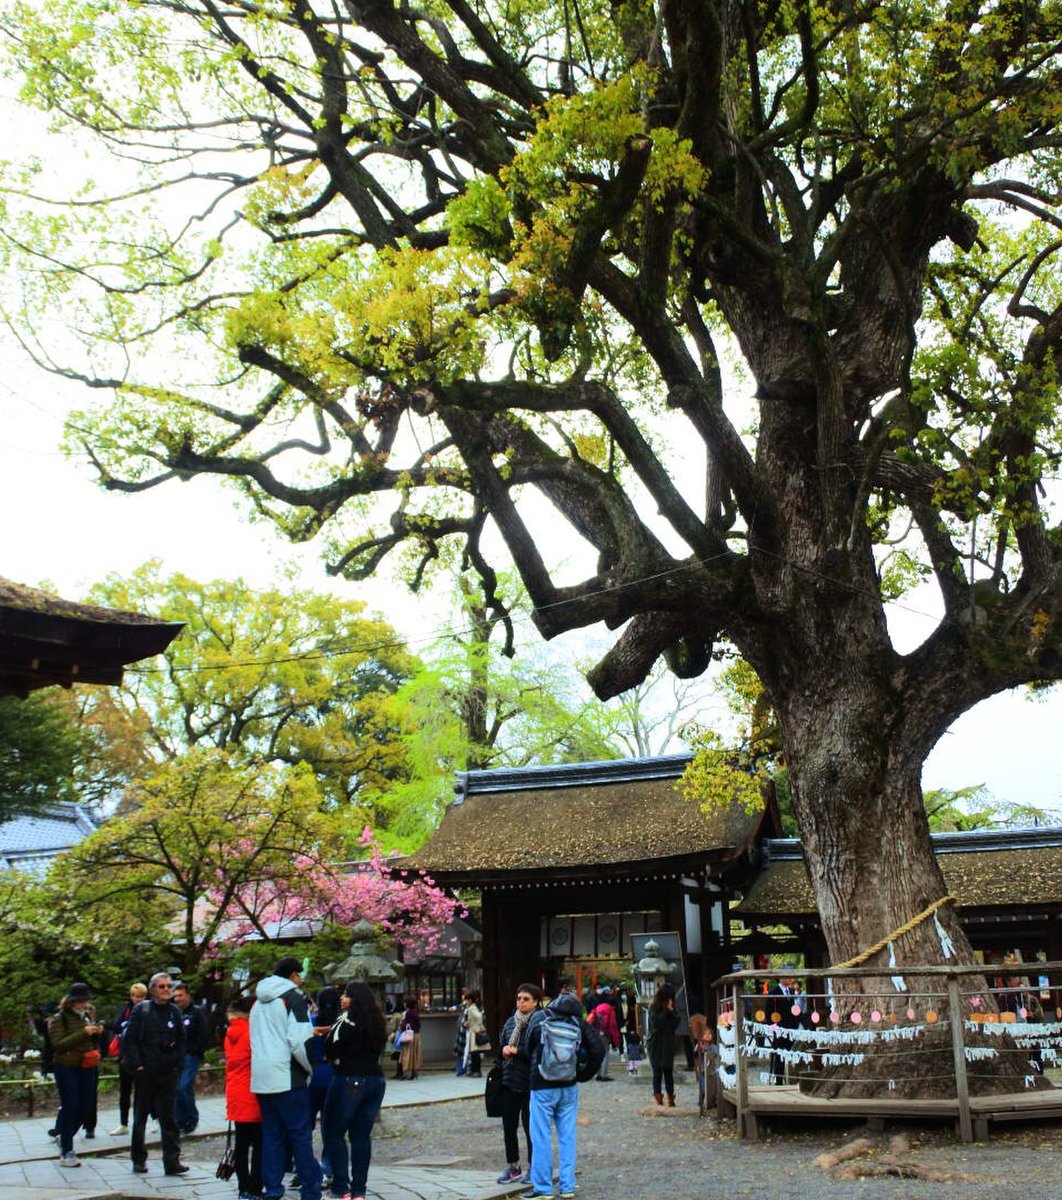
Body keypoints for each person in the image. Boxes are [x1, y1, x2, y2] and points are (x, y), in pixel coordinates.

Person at [249, 955, 322, 1200]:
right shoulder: (293, 998)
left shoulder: (257, 1002)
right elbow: (299, 1040)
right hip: (288, 1076)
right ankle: (310, 1189)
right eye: (300, 975)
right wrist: (311, 1068)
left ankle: (272, 1188)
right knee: (299, 1134)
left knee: (271, 1135)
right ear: (293, 975)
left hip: (261, 1076)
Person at [522, 987, 603, 1200]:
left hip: (542, 1085)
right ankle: (567, 1187)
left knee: (541, 1137)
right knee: (567, 1137)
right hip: (568, 1086)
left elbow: (527, 1046)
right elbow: (598, 1049)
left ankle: (543, 1188)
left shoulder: (540, 1018)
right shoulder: (578, 1023)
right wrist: (583, 1074)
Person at [321, 980, 388, 1200]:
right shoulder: (377, 1022)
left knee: (333, 1132)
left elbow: (331, 1045)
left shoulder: (346, 1020)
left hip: (348, 1077)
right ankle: (359, 1189)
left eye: (347, 995)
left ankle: (342, 1187)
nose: (342, 998)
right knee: (361, 1136)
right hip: (375, 1080)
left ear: (355, 999)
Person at [122, 971, 189, 1177]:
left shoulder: (174, 1012)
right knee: (140, 1117)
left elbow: (181, 1040)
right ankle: (138, 1159)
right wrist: (138, 1064)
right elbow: (130, 1039)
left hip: (167, 1071)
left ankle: (172, 1161)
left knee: (168, 1117)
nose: (166, 990)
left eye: (169, 986)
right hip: (146, 1071)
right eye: (162, 987)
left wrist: (177, 1062)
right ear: (152, 989)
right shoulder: (142, 1010)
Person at [48, 982, 103, 1168]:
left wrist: (96, 1033)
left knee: (86, 1106)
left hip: (87, 1065)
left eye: (85, 1000)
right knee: (71, 1104)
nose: (84, 1003)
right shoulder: (59, 1019)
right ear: (72, 1001)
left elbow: (89, 1041)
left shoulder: (87, 1016)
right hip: (66, 1067)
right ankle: (67, 1149)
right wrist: (82, 1033)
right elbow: (58, 1045)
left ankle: (65, 1135)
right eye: (81, 1000)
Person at [495, 983, 541, 1185]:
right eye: (518, 998)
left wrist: (517, 1052)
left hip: (530, 1082)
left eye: (526, 999)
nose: (521, 1002)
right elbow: (500, 1048)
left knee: (531, 1127)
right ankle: (513, 1166)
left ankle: (534, 1166)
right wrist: (504, 1051)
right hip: (508, 1080)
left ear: (536, 1002)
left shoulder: (539, 1023)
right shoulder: (509, 1023)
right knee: (509, 1126)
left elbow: (538, 1054)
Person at [224, 995, 262, 1200]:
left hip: (235, 1094)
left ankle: (243, 1187)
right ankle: (255, 1187)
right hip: (253, 1093)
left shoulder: (230, 1032)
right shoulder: (252, 1032)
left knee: (241, 1143)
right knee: (259, 1144)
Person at [309, 986, 339, 1190]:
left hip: (311, 1076)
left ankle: (303, 1167)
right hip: (333, 1076)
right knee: (331, 1126)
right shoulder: (340, 1023)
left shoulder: (310, 1023)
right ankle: (329, 1168)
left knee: (304, 1127)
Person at [108, 982, 147, 1135]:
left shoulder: (148, 1010)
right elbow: (117, 1026)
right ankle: (123, 1123)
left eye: (141, 996)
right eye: (135, 996)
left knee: (142, 1092)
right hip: (125, 1056)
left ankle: (146, 1120)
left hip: (141, 1057)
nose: (138, 999)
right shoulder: (127, 1010)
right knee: (124, 1091)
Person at [172, 980, 208, 1134]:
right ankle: (179, 1120)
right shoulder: (174, 1012)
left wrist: (195, 1050)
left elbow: (203, 1033)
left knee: (184, 1086)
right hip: (175, 1056)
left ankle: (191, 1118)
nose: (178, 999)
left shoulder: (196, 1012)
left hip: (190, 1055)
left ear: (187, 995)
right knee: (176, 1088)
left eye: (181, 995)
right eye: (176, 996)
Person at [767, 967, 805, 1085]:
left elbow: (795, 1010)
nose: (789, 978)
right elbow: (768, 1012)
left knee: (791, 1053)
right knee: (779, 1055)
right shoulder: (773, 992)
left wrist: (799, 1023)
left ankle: (792, 1079)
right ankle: (778, 1081)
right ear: (781, 978)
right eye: (787, 976)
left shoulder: (792, 992)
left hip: (791, 1027)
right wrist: (774, 1028)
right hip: (779, 1028)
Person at [647, 982, 680, 1107]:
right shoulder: (654, 1007)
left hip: (668, 1044)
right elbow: (656, 1024)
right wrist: (666, 1010)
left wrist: (672, 1012)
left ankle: (671, 1098)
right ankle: (658, 1097)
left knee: (668, 1072)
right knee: (657, 1072)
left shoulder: (671, 1007)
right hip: (656, 1044)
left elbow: (676, 1023)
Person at [588, 989, 619, 1080]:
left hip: (595, 1032)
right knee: (605, 1054)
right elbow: (612, 1026)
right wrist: (616, 1042)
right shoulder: (610, 1009)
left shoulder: (598, 1007)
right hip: (605, 1034)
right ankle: (603, 1075)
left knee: (598, 1054)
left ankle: (598, 1074)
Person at [395, 994, 422, 1081]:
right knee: (414, 1054)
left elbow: (405, 1024)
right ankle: (414, 1072)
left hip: (408, 1035)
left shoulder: (408, 1013)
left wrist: (401, 1027)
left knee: (407, 1054)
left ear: (407, 1004)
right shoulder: (415, 1012)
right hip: (416, 1035)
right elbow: (418, 1025)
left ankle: (407, 1073)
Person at [461, 990, 487, 1078]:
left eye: (467, 1000)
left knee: (475, 1052)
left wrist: (473, 1025)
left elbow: (479, 1017)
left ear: (470, 1000)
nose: (466, 1002)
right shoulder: (474, 1007)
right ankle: (473, 1070)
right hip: (473, 1031)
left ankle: (476, 1071)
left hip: (474, 1032)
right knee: (473, 1052)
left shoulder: (472, 1008)